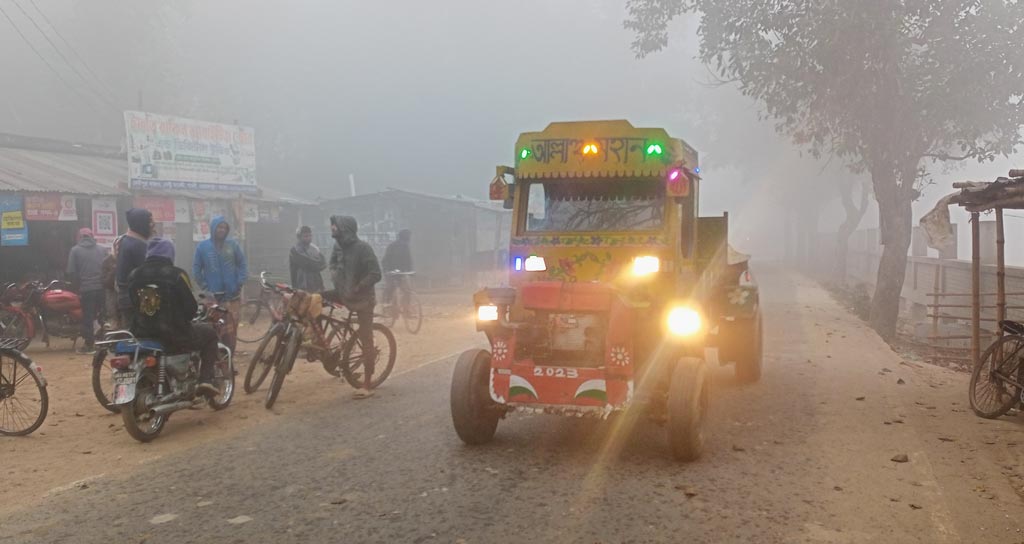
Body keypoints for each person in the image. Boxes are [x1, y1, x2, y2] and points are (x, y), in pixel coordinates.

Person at [129, 238, 220, 397]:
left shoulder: (134, 274)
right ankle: (205, 379)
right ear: (169, 254)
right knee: (210, 334)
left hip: (141, 333)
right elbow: (190, 308)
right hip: (174, 334)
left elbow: (132, 304)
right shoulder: (177, 274)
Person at [328, 215, 381, 399]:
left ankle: (367, 384)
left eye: (336, 226)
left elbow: (376, 273)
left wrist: (358, 286)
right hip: (343, 292)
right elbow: (332, 263)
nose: (333, 228)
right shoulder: (338, 247)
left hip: (363, 299)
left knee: (366, 339)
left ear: (346, 229)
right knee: (313, 298)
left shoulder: (363, 248)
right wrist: (337, 277)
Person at [192, 216, 247, 352]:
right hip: (213, 299)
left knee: (231, 332)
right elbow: (196, 270)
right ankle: (216, 362)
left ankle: (229, 362)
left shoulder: (233, 245)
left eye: (225, 228)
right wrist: (206, 288)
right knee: (214, 330)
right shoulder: (202, 247)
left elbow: (242, 265)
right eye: (219, 227)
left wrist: (239, 282)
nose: (222, 230)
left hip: (232, 297)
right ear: (213, 229)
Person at [66, 228, 108, 354]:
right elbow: (109, 268)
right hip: (102, 289)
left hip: (87, 289)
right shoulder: (102, 249)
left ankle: (89, 345)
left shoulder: (75, 250)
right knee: (102, 316)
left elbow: (71, 272)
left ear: (80, 237)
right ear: (92, 237)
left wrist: (76, 288)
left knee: (88, 317)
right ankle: (104, 342)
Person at [117, 208, 154, 330]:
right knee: (138, 338)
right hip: (135, 298)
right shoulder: (137, 245)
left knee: (131, 336)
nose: (152, 226)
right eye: (149, 222)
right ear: (141, 224)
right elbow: (147, 275)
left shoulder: (127, 241)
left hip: (127, 297)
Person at [381, 229, 413, 316]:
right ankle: (387, 304)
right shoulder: (392, 246)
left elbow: (408, 260)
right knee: (390, 287)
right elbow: (385, 260)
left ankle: (406, 309)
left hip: (402, 272)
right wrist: (387, 271)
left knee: (407, 290)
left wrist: (410, 271)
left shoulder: (406, 247)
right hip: (391, 271)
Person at [289, 225, 326, 292]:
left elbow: (323, 263)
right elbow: (305, 264)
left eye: (310, 235)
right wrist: (316, 264)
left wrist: (315, 265)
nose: (309, 238)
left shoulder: (315, 249)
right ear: (299, 237)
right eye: (305, 236)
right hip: (301, 284)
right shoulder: (295, 250)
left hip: (316, 283)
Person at [101, 235, 123, 330]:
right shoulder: (107, 261)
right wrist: (114, 270)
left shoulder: (127, 260)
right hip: (111, 296)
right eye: (116, 247)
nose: (118, 250)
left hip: (123, 295)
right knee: (113, 322)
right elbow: (104, 281)